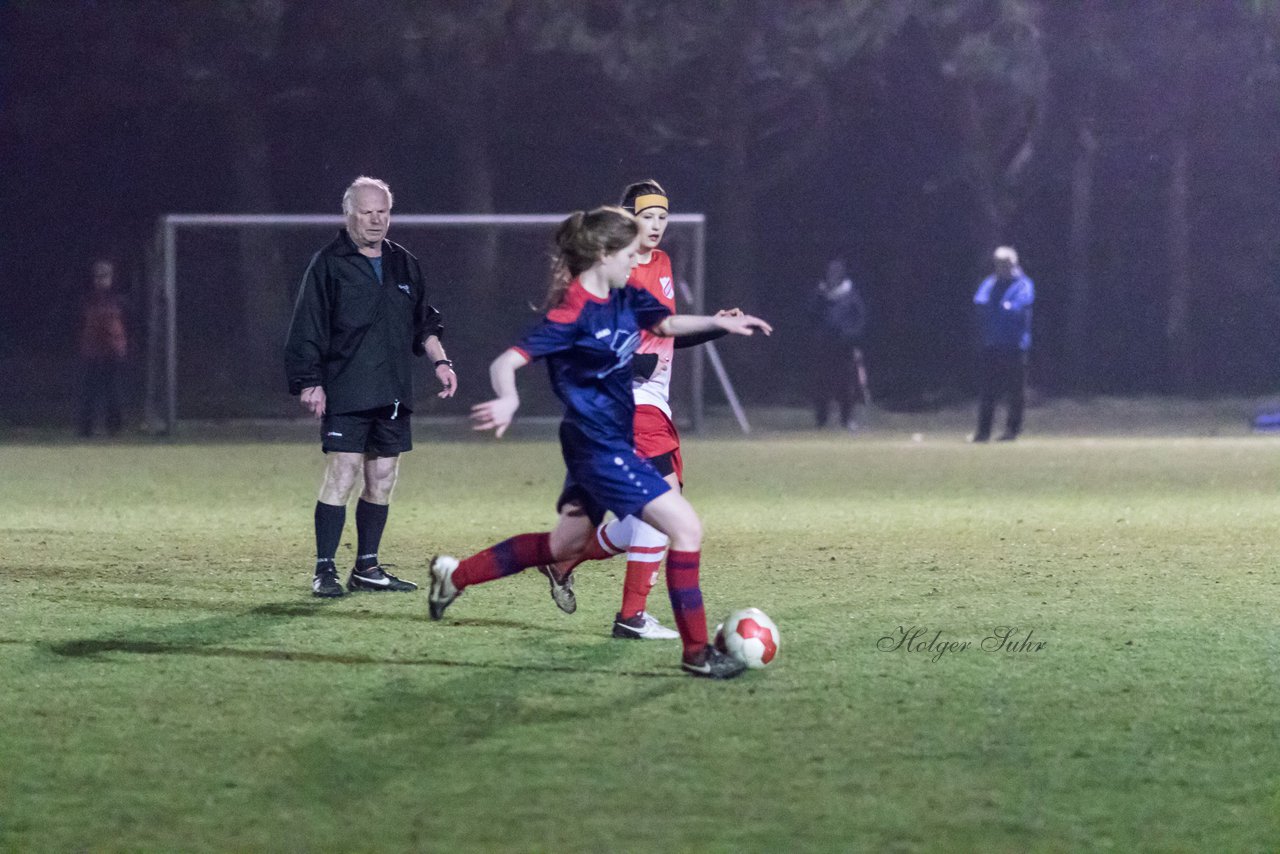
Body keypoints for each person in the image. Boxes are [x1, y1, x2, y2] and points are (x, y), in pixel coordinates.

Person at [427, 206, 773, 679]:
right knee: (686, 527)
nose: (638, 261)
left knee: (564, 543)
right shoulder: (570, 314)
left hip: (606, 441)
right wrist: (507, 400)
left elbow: (666, 325)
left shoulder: (625, 295)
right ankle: (697, 653)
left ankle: (455, 575)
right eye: (630, 253)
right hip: (598, 447)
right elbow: (504, 362)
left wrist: (721, 324)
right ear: (603, 254)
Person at [534, 180, 738, 642]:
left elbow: (664, 334)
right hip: (629, 408)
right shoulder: (610, 271)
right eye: (649, 217)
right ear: (627, 220)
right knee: (665, 509)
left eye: (664, 217)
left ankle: (565, 558)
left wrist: (716, 327)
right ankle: (631, 616)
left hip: (654, 405)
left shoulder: (662, 263)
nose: (658, 226)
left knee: (641, 521)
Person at [285, 176, 457, 598]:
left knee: (382, 475)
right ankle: (324, 569)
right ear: (349, 215)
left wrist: (441, 361)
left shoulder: (404, 263)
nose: (376, 219)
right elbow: (308, 324)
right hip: (346, 386)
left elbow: (424, 323)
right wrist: (310, 381)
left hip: (393, 388)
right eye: (367, 212)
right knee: (342, 473)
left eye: (383, 211)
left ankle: (367, 567)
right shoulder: (328, 263)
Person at [971, 245, 1034, 442]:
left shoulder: (1023, 284)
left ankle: (1011, 430)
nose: (1001, 268)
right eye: (998, 264)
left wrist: (1002, 307)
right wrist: (1001, 307)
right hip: (992, 344)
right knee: (988, 390)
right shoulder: (990, 283)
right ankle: (983, 432)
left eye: (1005, 264)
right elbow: (980, 302)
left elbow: (1018, 308)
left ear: (1013, 264)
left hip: (1015, 345)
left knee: (1015, 391)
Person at [807, 257, 868, 430]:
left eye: (835, 273)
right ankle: (821, 420)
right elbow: (811, 316)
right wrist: (818, 297)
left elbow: (860, 319)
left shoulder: (851, 294)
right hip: (823, 346)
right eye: (830, 273)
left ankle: (846, 419)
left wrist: (852, 336)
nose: (832, 276)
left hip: (845, 346)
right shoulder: (820, 294)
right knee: (821, 385)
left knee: (845, 385)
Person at [77, 258, 129, 437]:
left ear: (111, 278)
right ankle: (85, 429)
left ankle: (114, 428)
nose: (101, 280)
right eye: (98, 277)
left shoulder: (119, 299)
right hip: (92, 351)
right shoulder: (87, 299)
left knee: (113, 391)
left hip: (113, 351)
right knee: (89, 392)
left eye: (104, 276)